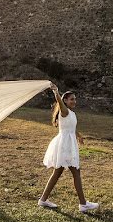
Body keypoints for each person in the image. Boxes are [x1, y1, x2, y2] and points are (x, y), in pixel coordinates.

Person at [37, 83, 100, 213]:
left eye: (75, 99)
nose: (74, 101)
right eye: (71, 99)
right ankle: (83, 204)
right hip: (65, 145)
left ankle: (43, 200)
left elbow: (71, 127)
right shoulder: (64, 111)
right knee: (76, 171)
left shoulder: (71, 113)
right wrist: (56, 93)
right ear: (65, 101)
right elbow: (60, 103)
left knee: (58, 172)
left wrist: (78, 135)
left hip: (68, 143)